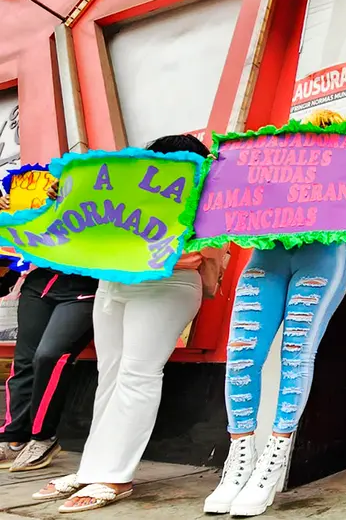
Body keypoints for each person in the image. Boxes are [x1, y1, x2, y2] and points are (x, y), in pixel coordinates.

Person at [31, 134, 223, 513]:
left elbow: (212, 268)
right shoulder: (129, 193)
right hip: (115, 282)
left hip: (165, 286)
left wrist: (198, 263)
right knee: (111, 376)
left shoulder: (204, 199)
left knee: (137, 375)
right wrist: (63, 196)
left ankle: (116, 476)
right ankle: (92, 469)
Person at [203, 110, 346, 517]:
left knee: (296, 354)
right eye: (314, 134)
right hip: (267, 256)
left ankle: (270, 463)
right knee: (242, 354)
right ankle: (239, 461)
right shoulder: (271, 162)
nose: (319, 142)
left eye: (329, 136)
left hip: (322, 257)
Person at [0, 249, 97, 472]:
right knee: (23, 360)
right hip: (39, 282)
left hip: (86, 285)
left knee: (49, 357)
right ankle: (14, 438)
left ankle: (44, 437)